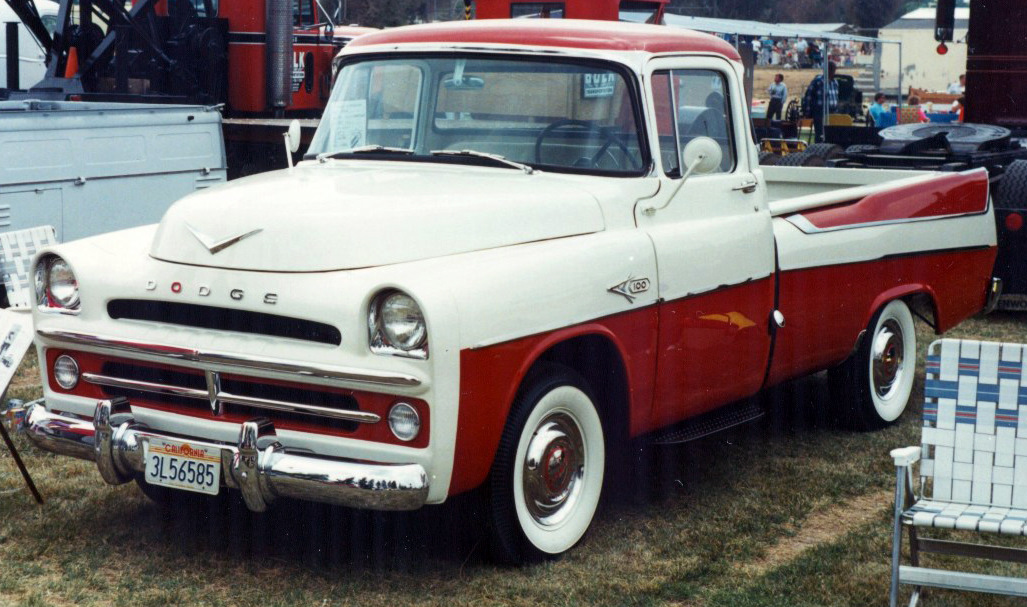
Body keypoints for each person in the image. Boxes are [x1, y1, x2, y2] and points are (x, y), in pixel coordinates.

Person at [802, 61, 838, 142]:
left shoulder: (835, 82)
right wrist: (807, 112)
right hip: (819, 111)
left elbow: (836, 97)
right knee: (820, 134)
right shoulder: (818, 81)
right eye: (831, 69)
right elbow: (808, 96)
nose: (833, 72)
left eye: (834, 69)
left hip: (832, 111)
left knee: (831, 133)